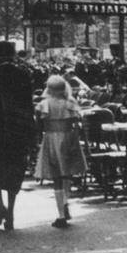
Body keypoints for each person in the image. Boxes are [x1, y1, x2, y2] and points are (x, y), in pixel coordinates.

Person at [0, 40, 35, 233]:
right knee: (14, 170)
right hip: (17, 130)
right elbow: (29, 105)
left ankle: (0, 205)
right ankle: (10, 209)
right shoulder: (24, 76)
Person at [34, 74, 87, 228]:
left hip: (51, 138)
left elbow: (39, 126)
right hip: (68, 138)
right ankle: (65, 202)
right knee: (67, 173)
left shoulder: (44, 104)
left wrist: (39, 140)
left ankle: (61, 214)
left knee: (56, 175)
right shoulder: (70, 103)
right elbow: (76, 125)